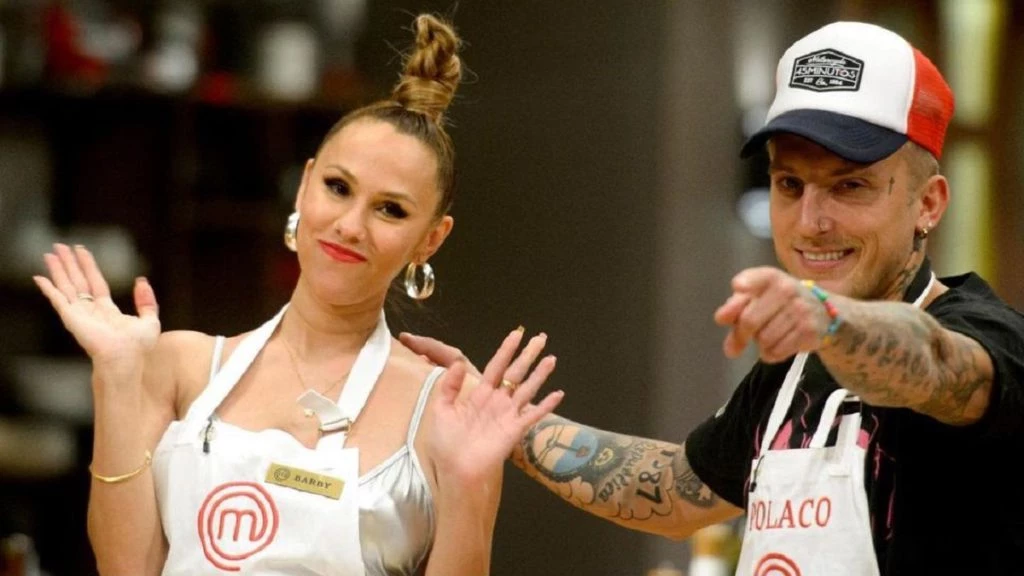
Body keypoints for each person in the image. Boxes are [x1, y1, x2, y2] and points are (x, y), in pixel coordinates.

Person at [401, 21, 1024, 575]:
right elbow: (676, 490)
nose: (811, 222)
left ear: (928, 203)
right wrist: (503, 422)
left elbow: (935, 364)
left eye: (850, 186)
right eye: (789, 184)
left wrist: (830, 322)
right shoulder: (790, 371)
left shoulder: (986, 337)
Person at [32, 14, 563, 576]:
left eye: (390, 209)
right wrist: (116, 376)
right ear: (305, 185)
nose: (350, 225)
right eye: (338, 187)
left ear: (430, 239)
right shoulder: (181, 366)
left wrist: (468, 484)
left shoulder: (445, 409)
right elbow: (124, 567)